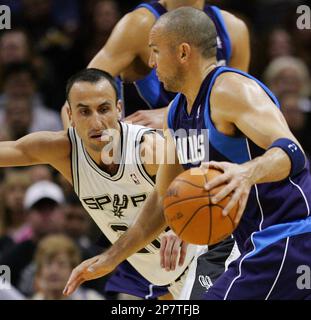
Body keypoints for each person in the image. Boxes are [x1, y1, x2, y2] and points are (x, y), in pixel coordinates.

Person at [63, 7, 311, 300]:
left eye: (155, 51)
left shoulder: (230, 90)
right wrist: (112, 257)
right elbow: (161, 201)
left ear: (183, 52)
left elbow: (292, 152)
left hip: (289, 234)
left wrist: (247, 173)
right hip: (256, 245)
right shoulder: (176, 114)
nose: (151, 62)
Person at [0, 68, 197, 299]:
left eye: (104, 109)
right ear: (71, 116)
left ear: (119, 110)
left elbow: (199, 174)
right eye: (84, 112)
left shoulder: (148, 148)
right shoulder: (63, 151)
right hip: (163, 278)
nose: (96, 122)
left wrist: (185, 219)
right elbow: (10, 150)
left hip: (203, 256)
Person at [61, 0, 250, 129]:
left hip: (206, 157)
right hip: (146, 158)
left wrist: (171, 115)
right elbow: (76, 100)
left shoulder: (233, 29)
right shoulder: (140, 24)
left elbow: (240, 107)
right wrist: (81, 162)